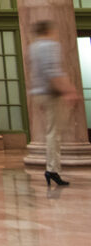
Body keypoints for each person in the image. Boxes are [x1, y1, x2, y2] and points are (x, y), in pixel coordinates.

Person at [28, 20, 81, 187]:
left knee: (53, 132)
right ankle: (52, 169)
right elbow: (53, 71)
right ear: (49, 30)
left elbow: (36, 72)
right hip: (51, 93)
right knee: (54, 134)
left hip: (40, 93)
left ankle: (52, 169)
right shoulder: (50, 46)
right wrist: (68, 90)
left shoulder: (33, 48)